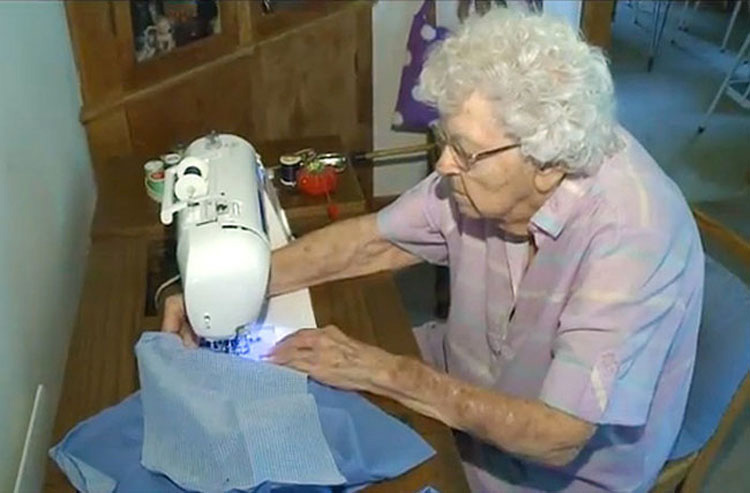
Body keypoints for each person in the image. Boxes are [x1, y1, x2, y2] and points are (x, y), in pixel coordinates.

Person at [162, 8, 704, 492]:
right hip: (461, 390)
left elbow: (558, 435)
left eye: (463, 152)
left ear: (547, 164)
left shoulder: (634, 233)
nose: (444, 165)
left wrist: (389, 374)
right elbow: (373, 241)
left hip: (553, 475)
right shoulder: (480, 176)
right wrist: (230, 286)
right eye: (445, 142)